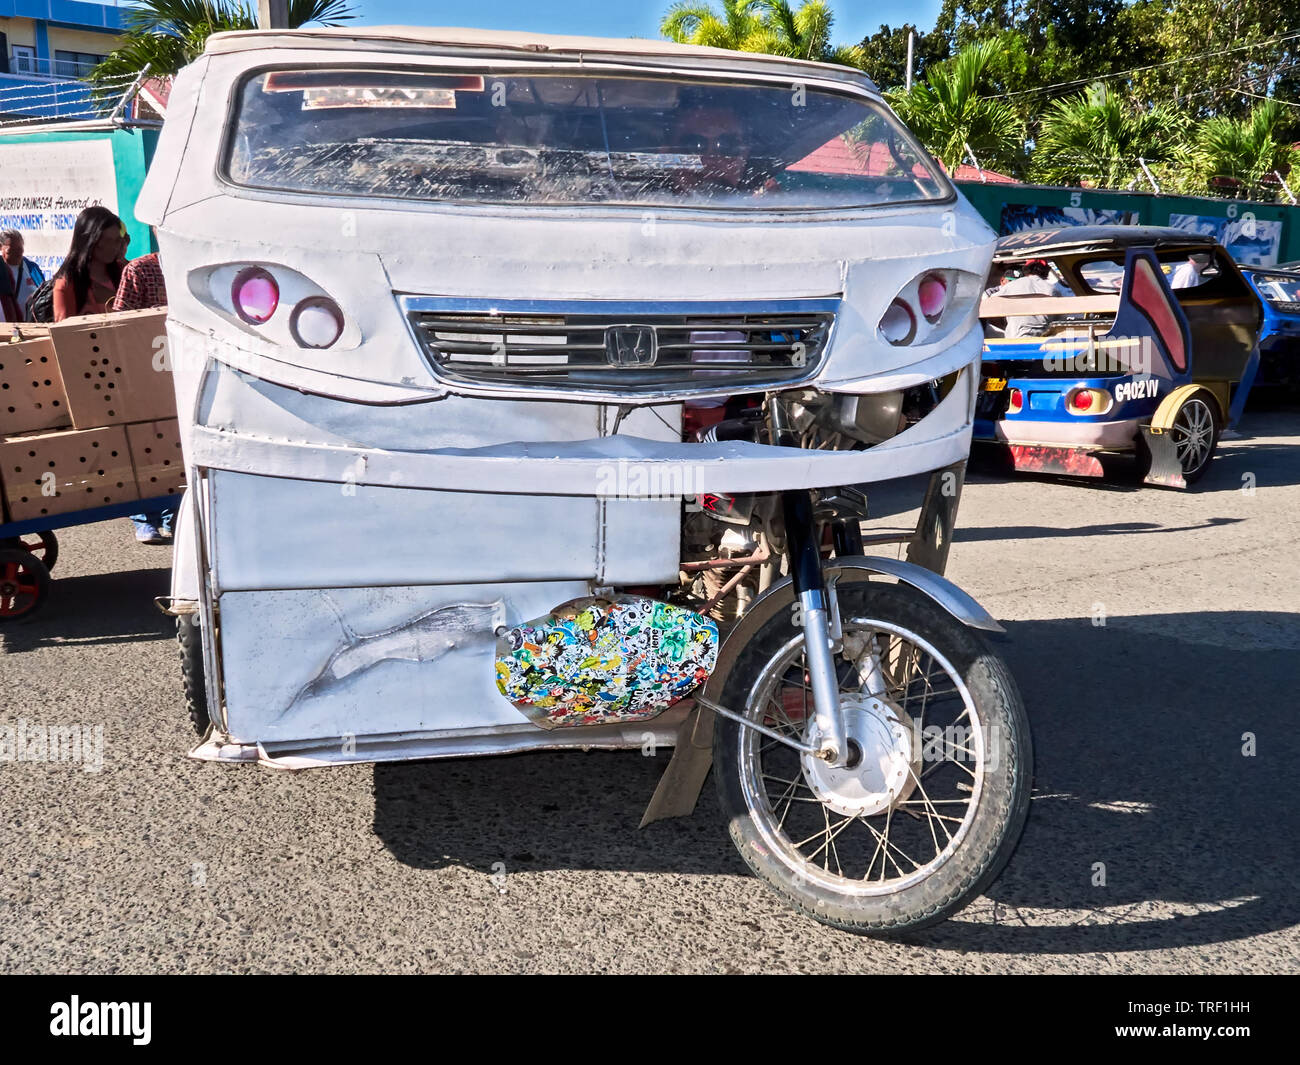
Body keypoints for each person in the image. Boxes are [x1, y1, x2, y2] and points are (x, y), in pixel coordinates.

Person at [111, 250, 173, 542]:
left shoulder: (195, 262)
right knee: (145, 447)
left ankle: (173, 516)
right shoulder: (138, 270)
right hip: (143, 370)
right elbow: (120, 323)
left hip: (182, 369)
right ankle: (144, 520)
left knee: (175, 447)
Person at [51, 206, 126, 322]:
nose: (113, 247)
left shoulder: (125, 273)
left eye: (117, 240)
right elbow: (65, 333)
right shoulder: (67, 284)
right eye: (106, 240)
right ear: (88, 240)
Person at [999, 259, 1069, 339]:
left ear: (1026, 269)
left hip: (1013, 338)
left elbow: (991, 301)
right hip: (1040, 339)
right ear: (1046, 271)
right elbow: (1060, 320)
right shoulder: (1051, 289)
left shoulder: (1012, 285)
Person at [0, 229, 45, 321]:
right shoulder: (2, 271)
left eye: (20, 249)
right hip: (8, 328)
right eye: (11, 250)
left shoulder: (32, 268)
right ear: (1, 247)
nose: (17, 254)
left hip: (32, 326)